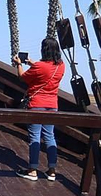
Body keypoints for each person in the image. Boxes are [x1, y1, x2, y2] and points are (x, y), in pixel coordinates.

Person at [13, 36, 66, 181]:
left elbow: (22, 76)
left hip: (36, 104)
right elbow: (46, 70)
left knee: (35, 137)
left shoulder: (39, 66)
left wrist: (19, 64)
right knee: (50, 136)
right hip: (52, 106)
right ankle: (52, 171)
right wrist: (31, 62)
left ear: (44, 49)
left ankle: (32, 170)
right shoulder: (61, 66)